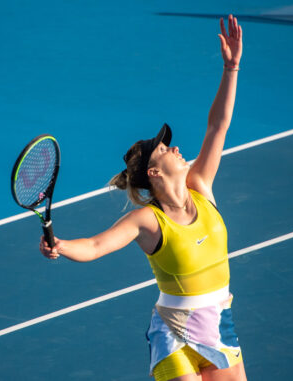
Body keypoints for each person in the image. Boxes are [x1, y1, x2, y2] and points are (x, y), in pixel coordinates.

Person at [40, 14, 245, 381]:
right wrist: (61, 245)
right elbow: (96, 245)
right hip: (172, 333)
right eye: (166, 149)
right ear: (154, 172)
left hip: (218, 324)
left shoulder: (202, 186)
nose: (177, 148)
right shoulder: (148, 221)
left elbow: (218, 125)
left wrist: (231, 69)